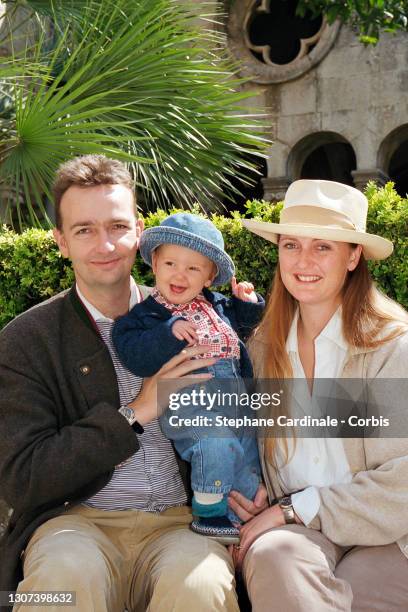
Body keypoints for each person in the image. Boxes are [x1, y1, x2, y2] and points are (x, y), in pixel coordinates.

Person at [0, 155, 242, 612]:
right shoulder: (26, 341)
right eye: (84, 230)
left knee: (201, 585)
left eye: (116, 226)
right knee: (63, 580)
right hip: (74, 523)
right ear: (61, 242)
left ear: (139, 233)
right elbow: (23, 479)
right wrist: (136, 412)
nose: (105, 244)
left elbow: (240, 401)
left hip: (179, 524)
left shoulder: (196, 313)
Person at [228, 179, 408, 611]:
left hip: (390, 532)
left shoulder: (391, 347)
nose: (303, 261)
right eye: (291, 244)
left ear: (353, 256)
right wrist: (254, 493)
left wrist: (294, 510)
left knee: (353, 589)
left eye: (323, 247)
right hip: (302, 533)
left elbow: (402, 483)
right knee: (274, 556)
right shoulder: (261, 348)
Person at [112, 212, 264, 542]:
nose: (179, 274)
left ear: (209, 277)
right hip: (191, 404)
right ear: (154, 263)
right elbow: (133, 352)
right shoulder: (146, 316)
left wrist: (248, 303)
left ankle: (251, 520)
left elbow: (246, 327)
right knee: (213, 445)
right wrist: (169, 331)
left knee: (249, 461)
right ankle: (209, 514)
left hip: (236, 402)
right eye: (170, 264)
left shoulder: (217, 305)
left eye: (193, 268)